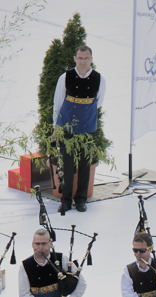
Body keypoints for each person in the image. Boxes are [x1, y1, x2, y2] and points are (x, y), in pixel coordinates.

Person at [52, 44, 106, 214]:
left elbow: (99, 101)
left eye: (86, 58)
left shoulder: (99, 78)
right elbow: (58, 102)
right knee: (67, 163)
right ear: (75, 59)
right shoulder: (65, 77)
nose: (83, 62)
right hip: (67, 124)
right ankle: (66, 199)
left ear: (91, 59)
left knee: (85, 163)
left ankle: (81, 199)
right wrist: (56, 126)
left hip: (87, 125)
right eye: (80, 58)